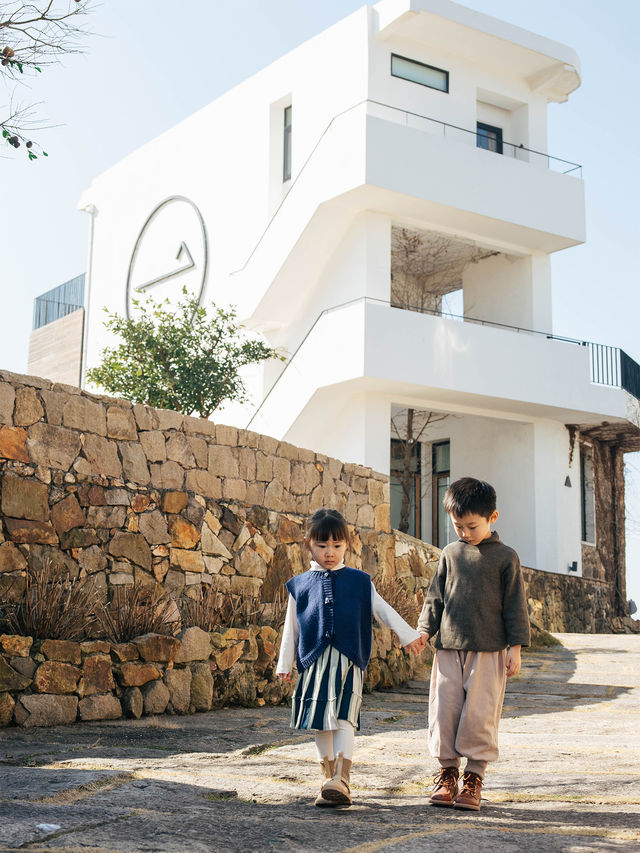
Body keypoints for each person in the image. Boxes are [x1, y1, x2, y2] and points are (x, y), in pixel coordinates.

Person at [277, 508, 425, 808]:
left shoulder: (359, 581)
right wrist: (284, 663)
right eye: (321, 546)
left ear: (347, 543)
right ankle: (328, 781)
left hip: (348, 662)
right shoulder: (299, 585)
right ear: (308, 544)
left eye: (336, 545)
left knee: (345, 718)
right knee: (320, 723)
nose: (329, 553)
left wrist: (407, 635)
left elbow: (382, 609)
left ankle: (342, 780)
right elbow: (290, 627)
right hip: (314, 664)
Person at [417, 477, 530, 811]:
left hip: (489, 650)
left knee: (479, 714)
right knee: (444, 710)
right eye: (457, 526)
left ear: (492, 518)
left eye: (471, 526)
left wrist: (516, 647)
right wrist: (425, 631)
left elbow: (515, 604)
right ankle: (447, 774)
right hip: (449, 647)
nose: (464, 533)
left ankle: (473, 778)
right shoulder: (450, 554)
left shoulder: (506, 558)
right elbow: (435, 597)